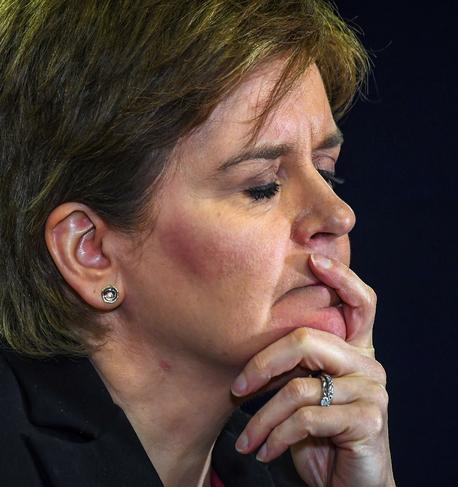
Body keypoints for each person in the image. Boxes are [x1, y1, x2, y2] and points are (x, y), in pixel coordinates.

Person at [0, 1, 395, 486]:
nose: (340, 216)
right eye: (262, 186)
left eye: (328, 173)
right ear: (92, 254)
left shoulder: (293, 471)